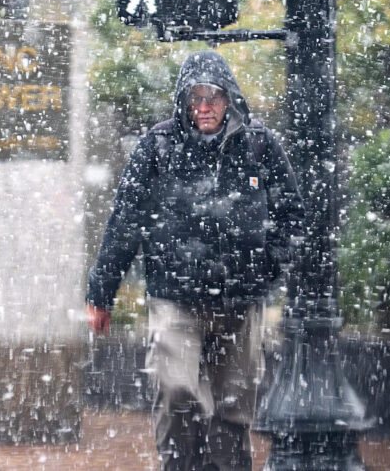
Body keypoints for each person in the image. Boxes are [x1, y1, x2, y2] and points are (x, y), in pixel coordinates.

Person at [86, 50, 304, 471]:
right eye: (195, 98)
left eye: (213, 97)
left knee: (234, 406)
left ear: (229, 99)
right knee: (178, 390)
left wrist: (267, 267)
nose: (203, 107)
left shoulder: (260, 144)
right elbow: (125, 221)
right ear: (184, 101)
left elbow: (291, 216)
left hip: (241, 299)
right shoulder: (159, 145)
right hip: (176, 296)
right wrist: (101, 293)